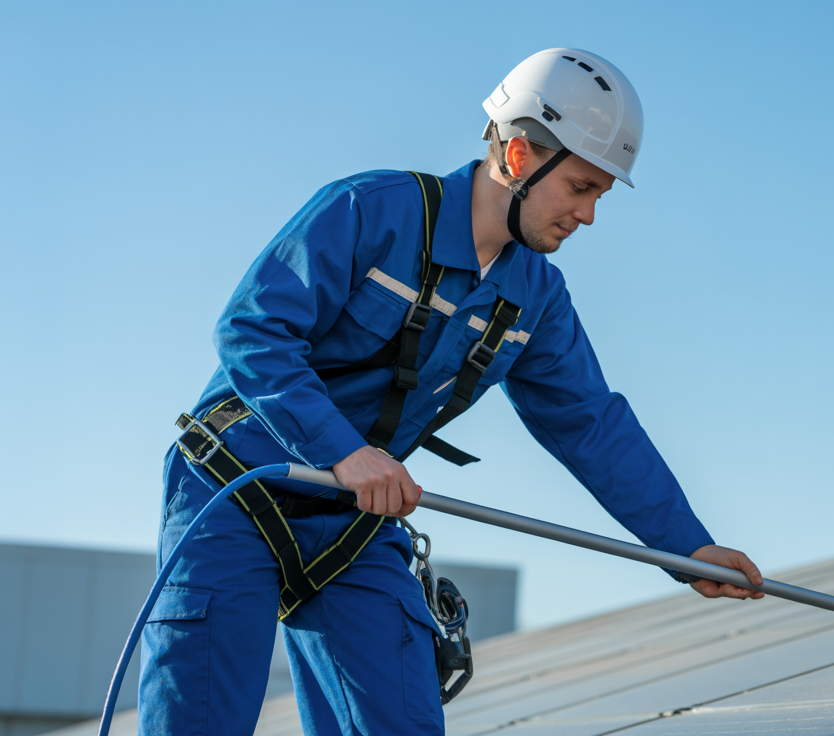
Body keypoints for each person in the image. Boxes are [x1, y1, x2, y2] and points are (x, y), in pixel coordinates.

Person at [143, 47, 763, 735]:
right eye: (582, 188)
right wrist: (343, 450)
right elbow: (251, 331)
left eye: (599, 195)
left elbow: (589, 424)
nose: (587, 215)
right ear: (522, 155)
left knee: (402, 719)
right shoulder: (369, 211)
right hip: (238, 485)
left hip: (354, 519)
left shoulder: (538, 299)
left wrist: (686, 546)